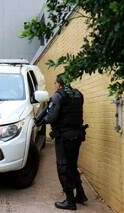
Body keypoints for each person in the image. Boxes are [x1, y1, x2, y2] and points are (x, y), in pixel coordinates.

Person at [35, 73, 88, 210]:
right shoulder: (78, 94)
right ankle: (81, 195)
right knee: (72, 166)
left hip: (64, 137)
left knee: (63, 167)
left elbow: (52, 117)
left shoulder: (59, 96)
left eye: (55, 83)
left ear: (59, 83)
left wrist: (42, 120)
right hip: (77, 135)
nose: (55, 85)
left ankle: (70, 201)